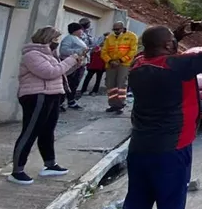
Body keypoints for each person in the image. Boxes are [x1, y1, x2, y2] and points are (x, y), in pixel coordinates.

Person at [111, 19, 202, 209]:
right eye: (172, 42)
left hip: (140, 148)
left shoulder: (137, 65)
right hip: (173, 151)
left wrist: (176, 35)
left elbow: (152, 48)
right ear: (167, 46)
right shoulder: (176, 65)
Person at [9, 26, 85, 185]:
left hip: (53, 95)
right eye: (55, 39)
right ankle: (17, 170)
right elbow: (49, 73)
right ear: (47, 39)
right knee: (30, 132)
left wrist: (75, 64)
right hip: (37, 96)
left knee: (47, 132)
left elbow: (59, 73)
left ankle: (50, 164)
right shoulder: (32, 55)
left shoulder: (50, 54)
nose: (57, 42)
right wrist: (70, 60)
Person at [102, 21, 138, 113]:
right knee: (110, 85)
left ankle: (120, 104)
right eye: (114, 29)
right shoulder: (109, 38)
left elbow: (133, 51)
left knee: (121, 84)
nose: (116, 31)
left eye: (117, 29)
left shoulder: (131, 36)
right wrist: (110, 61)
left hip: (123, 64)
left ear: (123, 28)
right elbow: (104, 51)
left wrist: (121, 60)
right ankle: (113, 104)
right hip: (111, 64)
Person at [59, 23, 88, 110]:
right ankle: (61, 102)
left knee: (74, 84)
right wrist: (79, 51)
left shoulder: (79, 39)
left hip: (79, 65)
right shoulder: (69, 39)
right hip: (71, 66)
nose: (82, 31)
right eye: (80, 29)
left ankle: (71, 100)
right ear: (76, 30)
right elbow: (63, 51)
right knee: (67, 84)